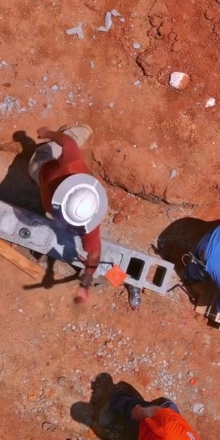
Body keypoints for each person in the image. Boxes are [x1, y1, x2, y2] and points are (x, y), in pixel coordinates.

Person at [29, 125, 128, 306]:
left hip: (44, 185)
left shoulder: (90, 223)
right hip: (45, 169)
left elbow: (94, 254)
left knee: (35, 171)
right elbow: (68, 143)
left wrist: (85, 284)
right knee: (38, 158)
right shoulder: (70, 165)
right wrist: (48, 133)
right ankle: (79, 130)